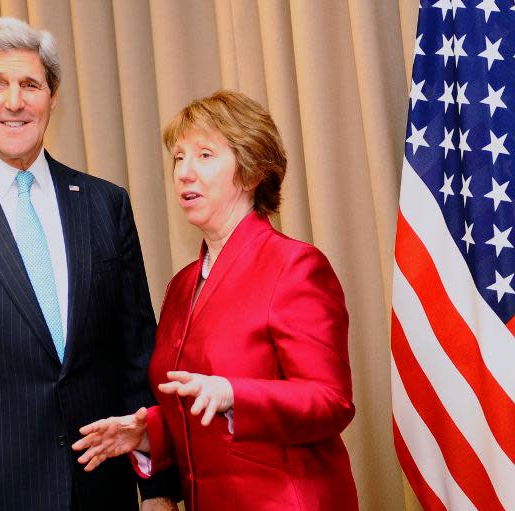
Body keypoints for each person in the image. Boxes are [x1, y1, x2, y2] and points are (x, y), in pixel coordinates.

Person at [0, 17, 178, 511]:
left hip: (99, 490)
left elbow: (134, 354)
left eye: (30, 85)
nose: (14, 102)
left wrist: (158, 488)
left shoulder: (106, 205)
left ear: (52, 97)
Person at [73, 90, 359, 510]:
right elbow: (197, 416)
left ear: (251, 171)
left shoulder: (295, 266)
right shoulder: (181, 287)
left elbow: (331, 402)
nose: (185, 172)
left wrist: (235, 394)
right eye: (179, 158)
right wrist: (148, 433)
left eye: (205, 155)